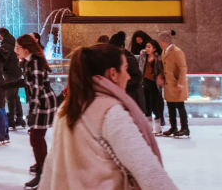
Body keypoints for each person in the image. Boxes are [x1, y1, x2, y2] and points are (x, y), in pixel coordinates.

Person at [39, 44, 179, 190]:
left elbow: (52, 166)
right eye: (125, 69)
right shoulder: (110, 112)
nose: (128, 76)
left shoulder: (67, 108)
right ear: (113, 74)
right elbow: (147, 169)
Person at [3, 34, 59, 189]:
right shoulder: (30, 62)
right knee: (37, 138)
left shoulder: (34, 63)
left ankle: (44, 174)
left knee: (36, 139)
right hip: (42, 103)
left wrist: (33, 113)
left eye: (18, 48)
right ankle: (44, 168)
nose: (15, 51)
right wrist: (6, 85)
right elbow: (29, 83)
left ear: (26, 49)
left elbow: (36, 90)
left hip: (43, 104)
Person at [158, 30, 189, 138]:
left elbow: (183, 67)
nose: (160, 43)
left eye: (161, 41)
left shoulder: (177, 51)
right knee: (170, 105)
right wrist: (161, 76)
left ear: (165, 41)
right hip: (169, 84)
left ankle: (185, 128)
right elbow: (164, 67)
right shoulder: (164, 52)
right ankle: (173, 127)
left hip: (176, 83)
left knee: (180, 105)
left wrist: (180, 83)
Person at [108, 32, 144, 113]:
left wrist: (123, 81)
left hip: (133, 97)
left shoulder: (128, 58)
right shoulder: (115, 57)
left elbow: (138, 77)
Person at [0, 28, 26, 129]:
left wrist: (0, 68)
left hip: (10, 73)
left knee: (10, 97)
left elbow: (3, 60)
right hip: (17, 72)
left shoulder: (5, 46)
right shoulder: (14, 44)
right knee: (15, 96)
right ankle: (19, 118)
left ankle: (11, 120)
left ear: (1, 35)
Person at [138, 40, 165, 135]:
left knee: (154, 105)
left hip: (154, 84)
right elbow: (140, 66)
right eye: (146, 46)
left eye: (149, 47)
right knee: (147, 106)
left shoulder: (158, 58)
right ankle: (148, 128)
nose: (147, 48)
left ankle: (158, 128)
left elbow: (161, 70)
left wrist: (161, 77)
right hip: (145, 83)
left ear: (154, 49)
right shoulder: (143, 57)